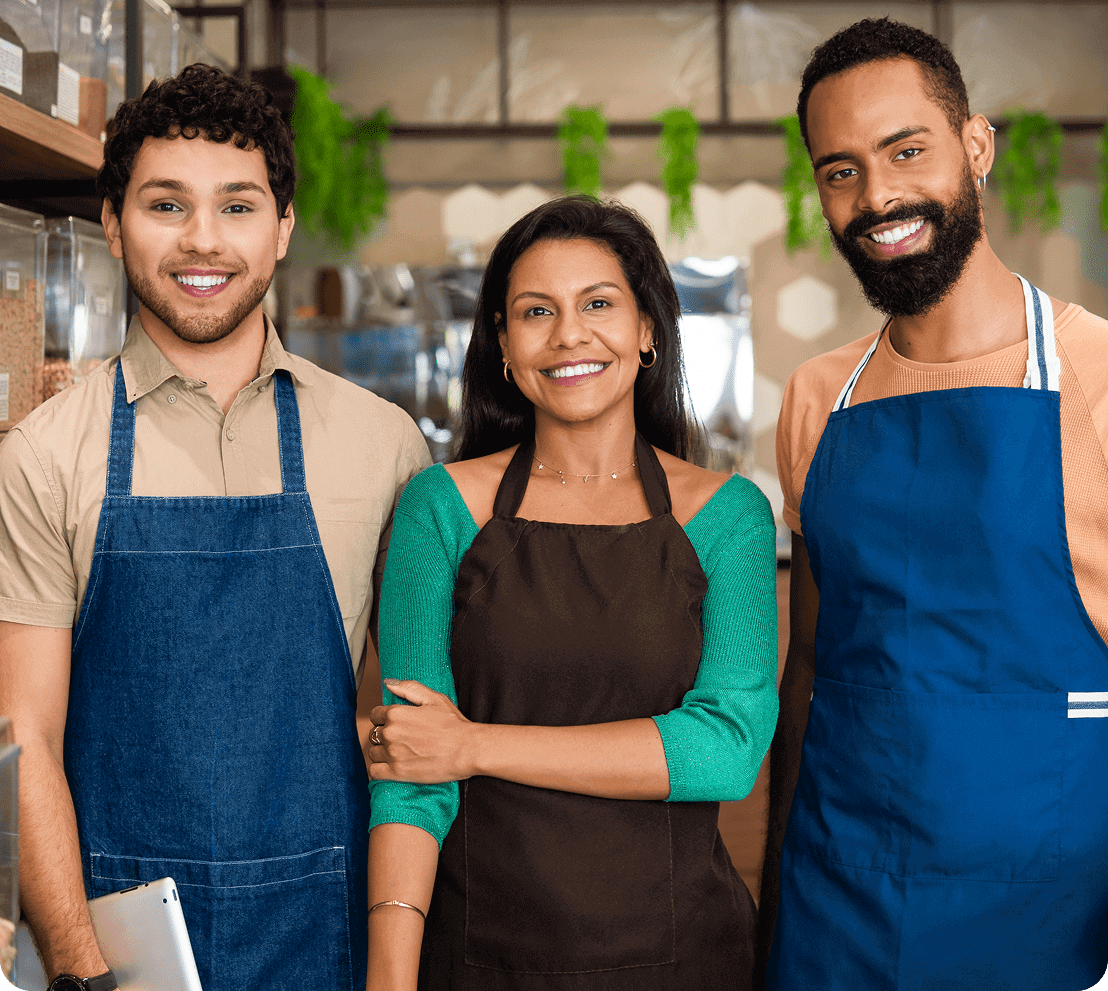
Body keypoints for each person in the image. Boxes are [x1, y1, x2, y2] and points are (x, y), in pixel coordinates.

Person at [0, 65, 430, 991]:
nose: (204, 240)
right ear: (113, 223)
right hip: (114, 939)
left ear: (281, 228)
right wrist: (83, 969)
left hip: (327, 930)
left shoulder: (385, 446)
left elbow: (405, 735)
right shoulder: (42, 454)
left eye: (238, 206)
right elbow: (21, 733)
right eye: (166, 204)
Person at [758, 18, 1108, 990]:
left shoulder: (1096, 375)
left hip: (1053, 913)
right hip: (838, 906)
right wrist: (777, 901)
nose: (877, 198)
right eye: (839, 171)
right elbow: (810, 669)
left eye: (905, 150)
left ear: (977, 145)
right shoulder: (816, 396)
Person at [363, 196, 778, 991]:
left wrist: (477, 745)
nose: (568, 335)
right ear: (503, 343)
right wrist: (390, 979)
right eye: (535, 312)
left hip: (682, 955)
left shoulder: (727, 517)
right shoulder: (439, 509)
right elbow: (415, 774)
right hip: (481, 949)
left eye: (598, 304)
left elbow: (726, 751)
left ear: (648, 330)